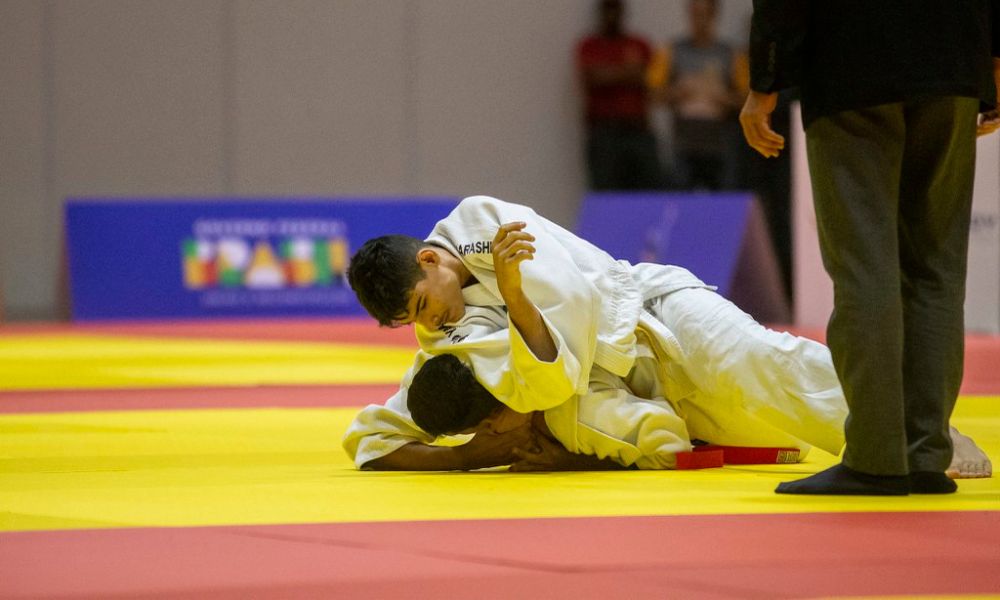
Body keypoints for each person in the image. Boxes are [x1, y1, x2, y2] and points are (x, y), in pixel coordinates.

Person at [342, 195, 990, 477]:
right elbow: (371, 441)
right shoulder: (443, 344)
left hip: (654, 311)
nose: (430, 326)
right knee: (781, 427)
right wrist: (462, 457)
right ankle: (891, 438)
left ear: (431, 260)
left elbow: (552, 378)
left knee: (765, 363)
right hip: (646, 395)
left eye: (423, 307)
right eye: (412, 324)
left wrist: (515, 298)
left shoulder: (487, 223)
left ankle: (917, 436)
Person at [740, 1, 1000, 495]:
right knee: (936, 265)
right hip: (954, 62)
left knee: (864, 264)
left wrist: (764, 83)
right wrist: (991, 65)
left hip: (853, 66)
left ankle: (876, 457)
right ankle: (926, 453)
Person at [650, 0, 747, 190]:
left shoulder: (730, 54)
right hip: (684, 142)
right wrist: (678, 93)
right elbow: (654, 95)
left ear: (714, 15)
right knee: (681, 200)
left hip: (720, 142)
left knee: (722, 202)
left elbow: (748, 99)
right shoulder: (672, 51)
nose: (700, 21)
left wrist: (722, 98)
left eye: (705, 15)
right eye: (696, 14)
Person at [576, 0, 662, 190]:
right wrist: (630, 71)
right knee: (606, 195)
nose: (612, 16)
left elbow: (652, 79)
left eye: (616, 10)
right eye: (608, 10)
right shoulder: (590, 46)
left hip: (638, 130)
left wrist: (612, 73)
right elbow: (593, 78)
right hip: (604, 132)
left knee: (649, 193)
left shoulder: (639, 44)